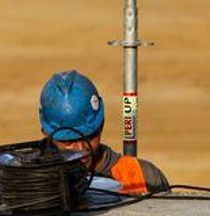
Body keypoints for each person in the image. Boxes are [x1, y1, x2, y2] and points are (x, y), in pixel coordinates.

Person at [38, 69, 169, 194]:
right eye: (69, 140)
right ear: (46, 134)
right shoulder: (30, 181)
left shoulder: (143, 177)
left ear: (101, 125)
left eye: (89, 137)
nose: (81, 148)